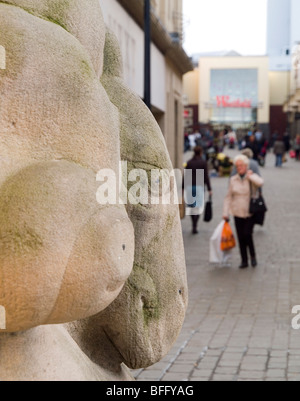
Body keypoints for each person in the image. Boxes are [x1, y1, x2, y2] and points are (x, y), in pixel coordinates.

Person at [223, 155, 264, 269]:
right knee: (240, 237)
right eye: (237, 166)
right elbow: (228, 197)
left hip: (249, 212)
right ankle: (244, 260)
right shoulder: (233, 180)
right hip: (237, 212)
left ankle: (253, 256)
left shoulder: (251, 177)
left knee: (247, 234)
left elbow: (261, 182)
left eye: (241, 165)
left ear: (246, 166)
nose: (239, 168)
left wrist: (250, 177)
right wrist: (225, 213)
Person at [184, 146, 212, 234]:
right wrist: (209, 189)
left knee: (191, 207)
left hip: (189, 186)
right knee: (198, 207)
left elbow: (185, 175)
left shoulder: (189, 162)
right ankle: (195, 225)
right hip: (199, 186)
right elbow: (206, 176)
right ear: (200, 153)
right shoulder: (203, 163)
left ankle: (193, 224)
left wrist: (182, 188)